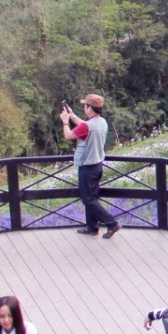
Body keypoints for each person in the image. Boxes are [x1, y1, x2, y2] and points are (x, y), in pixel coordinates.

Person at [61, 94, 121, 239]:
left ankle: (111, 223)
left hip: (87, 166)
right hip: (97, 164)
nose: (83, 108)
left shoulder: (88, 126)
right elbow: (84, 126)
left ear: (90, 108)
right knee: (92, 198)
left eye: (85, 105)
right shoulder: (102, 122)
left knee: (88, 199)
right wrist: (72, 115)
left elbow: (68, 135)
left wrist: (65, 122)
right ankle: (92, 227)